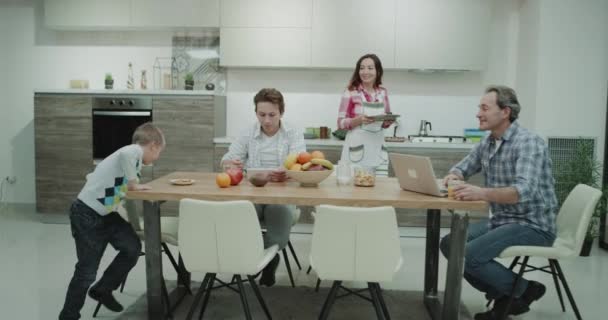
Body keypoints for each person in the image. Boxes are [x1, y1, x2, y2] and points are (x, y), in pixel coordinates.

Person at [440, 86, 558, 320]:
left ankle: (522, 291)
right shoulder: (489, 141)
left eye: (484, 108)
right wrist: (454, 176)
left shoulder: (528, 143)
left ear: (505, 112)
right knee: (449, 244)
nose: (478, 114)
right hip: (503, 219)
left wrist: (481, 193)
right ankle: (508, 295)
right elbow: (463, 167)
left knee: (469, 255)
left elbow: (522, 191)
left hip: (532, 224)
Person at [59, 123, 165, 320]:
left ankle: (102, 289)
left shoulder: (133, 162)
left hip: (106, 216)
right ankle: (68, 316)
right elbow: (126, 157)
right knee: (86, 271)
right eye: (159, 152)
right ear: (153, 145)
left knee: (132, 247)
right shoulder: (132, 151)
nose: (157, 157)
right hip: (86, 215)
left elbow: (112, 186)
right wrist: (134, 184)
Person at [221, 88, 305, 287]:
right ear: (256, 113)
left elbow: (302, 164)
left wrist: (289, 172)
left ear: (281, 112)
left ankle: (269, 258)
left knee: (278, 214)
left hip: (282, 197)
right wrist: (231, 164)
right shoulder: (247, 133)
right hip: (254, 195)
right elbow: (226, 160)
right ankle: (254, 259)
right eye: (262, 115)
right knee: (240, 213)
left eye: (272, 115)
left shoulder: (293, 132)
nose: (266, 120)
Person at [337, 53, 394, 169]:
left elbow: (386, 118)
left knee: (380, 185)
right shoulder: (351, 92)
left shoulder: (383, 92)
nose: (365, 72)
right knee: (356, 185)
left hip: (378, 150)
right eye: (362, 68)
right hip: (356, 151)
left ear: (378, 71)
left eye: (370, 68)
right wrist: (357, 121)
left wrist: (388, 120)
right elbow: (340, 123)